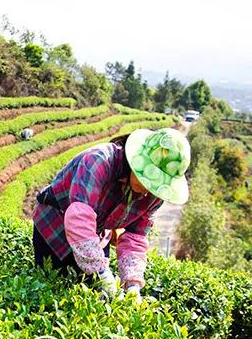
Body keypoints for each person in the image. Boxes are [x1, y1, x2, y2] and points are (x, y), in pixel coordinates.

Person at [32, 127, 190, 301]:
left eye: (155, 185)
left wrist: (132, 283)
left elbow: (136, 237)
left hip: (97, 233)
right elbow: (79, 219)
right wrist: (101, 272)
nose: (147, 191)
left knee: (97, 297)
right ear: (135, 162)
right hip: (55, 227)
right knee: (53, 289)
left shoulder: (155, 195)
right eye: (147, 180)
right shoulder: (98, 160)